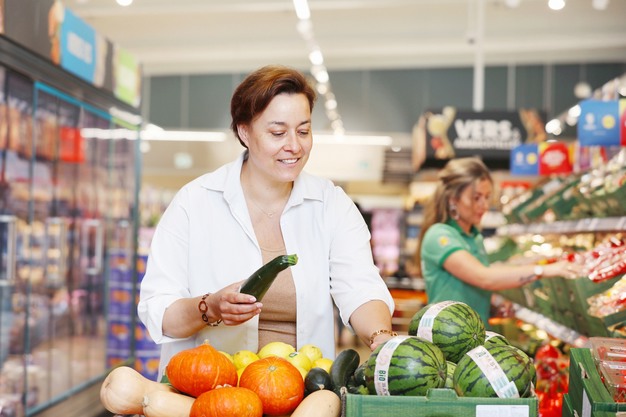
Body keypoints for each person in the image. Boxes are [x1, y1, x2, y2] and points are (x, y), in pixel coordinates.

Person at [137, 65, 395, 379]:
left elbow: (360, 287)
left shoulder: (331, 205)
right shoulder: (194, 203)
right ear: (244, 132)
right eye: (277, 133)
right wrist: (210, 307)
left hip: (303, 392)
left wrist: (380, 336)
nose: (295, 146)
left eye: (303, 131)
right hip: (209, 389)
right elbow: (159, 312)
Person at [414, 157, 582, 325]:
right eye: (476, 198)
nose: (484, 205)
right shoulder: (439, 235)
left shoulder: (475, 237)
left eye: (487, 197)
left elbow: (469, 288)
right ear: (452, 199)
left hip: (473, 335)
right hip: (446, 335)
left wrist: (492, 307)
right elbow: (483, 278)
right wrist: (543, 270)